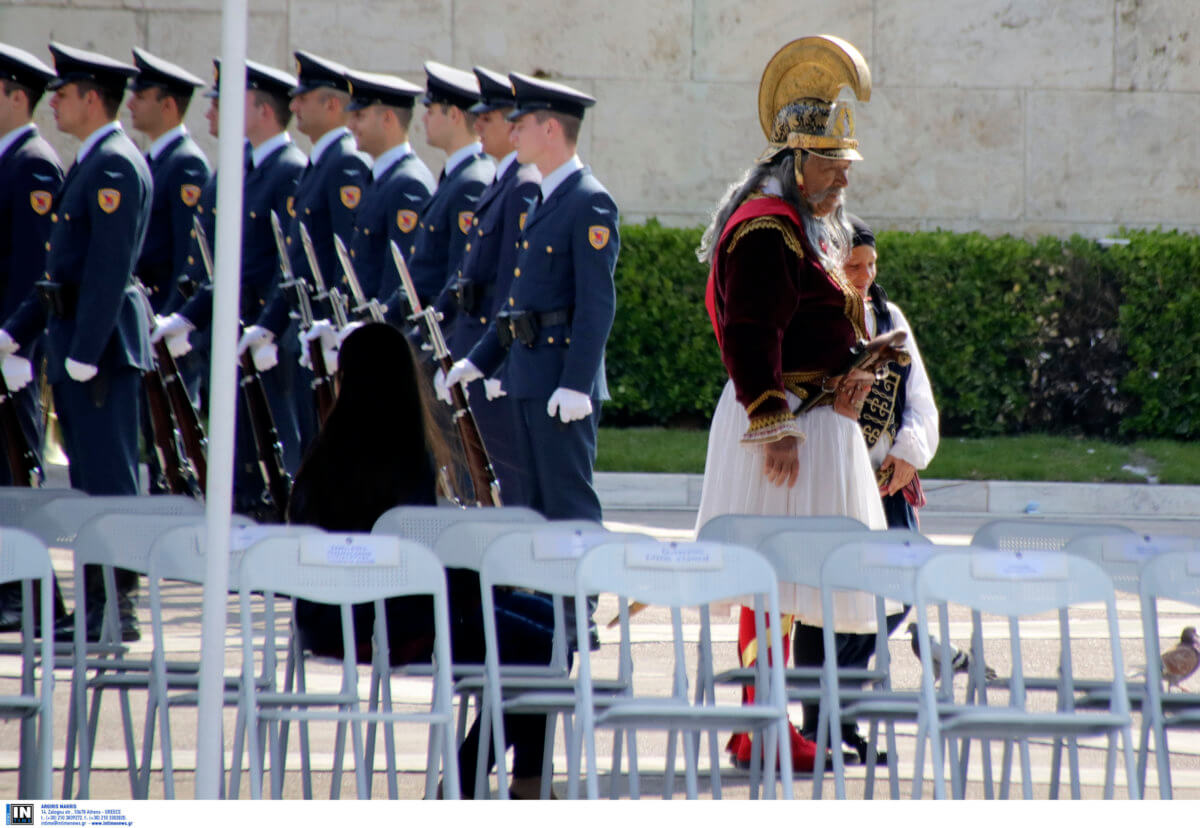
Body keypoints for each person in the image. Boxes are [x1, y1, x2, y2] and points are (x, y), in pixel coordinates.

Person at [691, 35, 881, 771]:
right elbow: (750, 334)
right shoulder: (768, 229)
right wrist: (772, 426)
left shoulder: (797, 224)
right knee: (768, 581)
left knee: (784, 584)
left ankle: (761, 725)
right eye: (831, 165)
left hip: (805, 417)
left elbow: (806, 330)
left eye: (845, 165)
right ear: (795, 161)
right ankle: (761, 727)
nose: (842, 178)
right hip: (778, 427)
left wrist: (850, 370)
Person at [287, 322, 559, 799]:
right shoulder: (403, 459)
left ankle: (507, 780)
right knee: (545, 643)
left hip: (330, 620)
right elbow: (426, 566)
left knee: (538, 627)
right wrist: (489, 586)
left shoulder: (321, 458)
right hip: (397, 624)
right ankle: (479, 781)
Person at [0, 43, 152, 642]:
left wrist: (85, 350)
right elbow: (59, 273)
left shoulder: (114, 164)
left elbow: (109, 268)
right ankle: (94, 609)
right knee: (90, 486)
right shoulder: (93, 161)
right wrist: (16, 333)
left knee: (110, 484)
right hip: (80, 345)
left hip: (102, 351)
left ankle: (118, 608)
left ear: (93, 98)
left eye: (64, 93)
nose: (54, 102)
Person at [790, 214, 940, 764]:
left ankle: (843, 716)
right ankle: (824, 730)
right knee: (824, 610)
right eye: (853, 266)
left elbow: (920, 402)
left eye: (871, 264)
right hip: (834, 484)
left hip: (887, 485)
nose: (864, 274)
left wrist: (907, 454)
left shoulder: (889, 315)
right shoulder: (818, 318)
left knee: (898, 593)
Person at [445, 72, 619, 523]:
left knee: (568, 504)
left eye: (522, 124)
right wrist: (480, 360)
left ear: (551, 129)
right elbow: (519, 298)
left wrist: (578, 382)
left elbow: (596, 304)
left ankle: (577, 597)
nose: (512, 132)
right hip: (528, 373)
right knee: (534, 509)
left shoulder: (589, 202)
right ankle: (546, 597)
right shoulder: (544, 196)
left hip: (560, 377)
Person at [153, 59, 307, 516]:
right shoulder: (236, 167)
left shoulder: (288, 170)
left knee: (278, 450)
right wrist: (186, 315)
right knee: (234, 456)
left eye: (224, 102)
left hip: (264, 336)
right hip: (228, 329)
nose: (211, 112)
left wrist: (269, 328)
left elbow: (281, 263)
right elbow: (213, 261)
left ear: (261, 110)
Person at [240, 49, 370, 453]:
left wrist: (334, 329)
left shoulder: (345, 161)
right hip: (305, 333)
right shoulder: (320, 162)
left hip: (324, 337)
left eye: (304, 97)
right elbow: (296, 262)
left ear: (332, 105)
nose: (293, 105)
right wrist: (270, 324)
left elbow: (348, 258)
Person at [430, 66, 540, 507]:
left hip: (494, 360)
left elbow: (514, 287)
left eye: (488, 118)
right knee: (477, 480)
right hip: (474, 349)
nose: (477, 124)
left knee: (505, 483)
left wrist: (497, 365)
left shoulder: (521, 186)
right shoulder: (501, 183)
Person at [0, 42, 65, 629]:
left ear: (18, 96)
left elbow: (32, 270)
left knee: (17, 471)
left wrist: (15, 342)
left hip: (10, 350)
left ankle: (29, 593)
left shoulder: (34, 163)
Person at [126, 48, 210, 493]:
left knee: (174, 442)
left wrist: (176, 318)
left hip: (167, 328)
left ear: (169, 105)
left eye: (142, 93)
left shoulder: (186, 165)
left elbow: (188, 257)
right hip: (151, 323)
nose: (131, 102)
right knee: (155, 441)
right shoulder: (156, 160)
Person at [342, 68, 435, 306]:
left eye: (359, 116)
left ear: (388, 119)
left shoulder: (408, 184)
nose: (350, 125)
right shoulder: (381, 177)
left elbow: (399, 279)